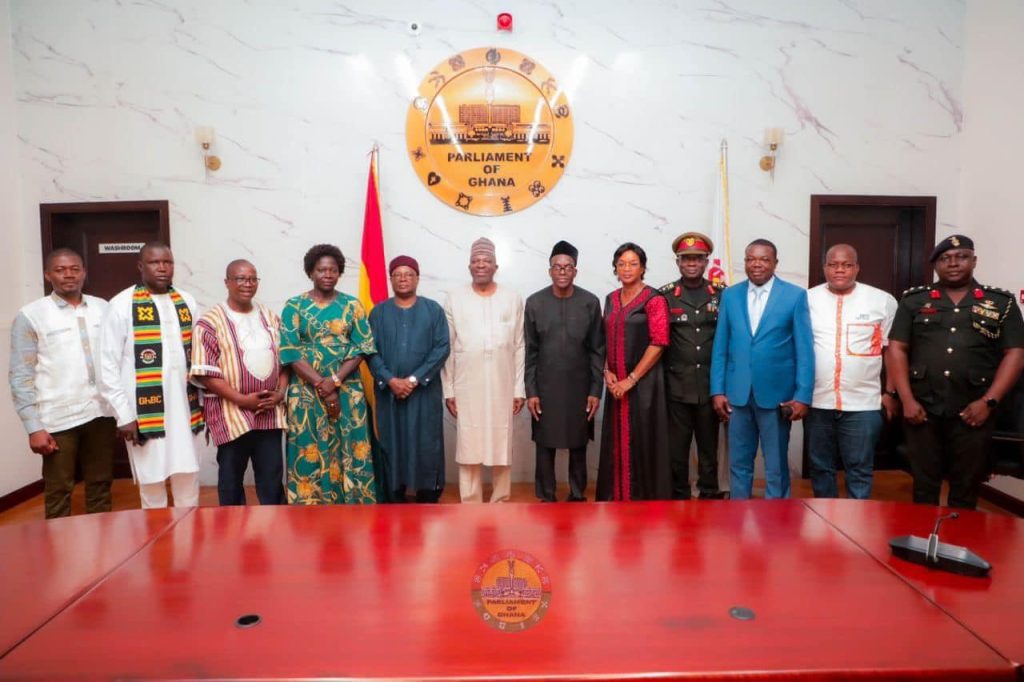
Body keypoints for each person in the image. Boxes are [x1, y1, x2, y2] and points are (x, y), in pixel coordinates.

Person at [887, 235, 1024, 509]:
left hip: (974, 409)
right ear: (936, 265)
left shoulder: (1001, 302)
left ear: (974, 260)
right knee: (924, 487)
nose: (953, 263)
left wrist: (989, 402)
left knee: (966, 487)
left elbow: (1016, 354)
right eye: (944, 259)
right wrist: (906, 399)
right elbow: (897, 349)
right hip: (922, 408)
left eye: (961, 256)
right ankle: (922, 545)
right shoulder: (915, 300)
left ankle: (959, 548)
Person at [8, 248, 116, 518]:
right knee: (59, 490)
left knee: (101, 485)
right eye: (60, 269)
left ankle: (104, 551)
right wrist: (33, 427)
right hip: (57, 419)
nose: (68, 274)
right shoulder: (31, 315)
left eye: (74, 268)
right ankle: (56, 553)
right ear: (48, 274)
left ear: (84, 272)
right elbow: (21, 375)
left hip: (101, 413)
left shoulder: (103, 308)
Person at [98, 242, 203, 508]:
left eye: (167, 262)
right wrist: (124, 415)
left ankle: (188, 540)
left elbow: (199, 357)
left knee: (187, 477)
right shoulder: (121, 305)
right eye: (155, 263)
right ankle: (155, 544)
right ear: (140, 266)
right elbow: (107, 365)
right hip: (143, 413)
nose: (162, 268)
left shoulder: (187, 301)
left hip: (184, 409)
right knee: (151, 483)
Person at [710, 238, 814, 500]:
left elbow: (804, 350)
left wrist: (803, 395)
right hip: (737, 394)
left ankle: (776, 523)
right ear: (745, 262)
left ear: (775, 263)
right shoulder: (730, 295)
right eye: (751, 259)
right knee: (739, 464)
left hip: (777, 396)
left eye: (764, 259)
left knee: (776, 466)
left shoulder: (794, 295)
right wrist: (717, 390)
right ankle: (738, 517)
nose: (757, 264)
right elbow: (721, 347)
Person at [279, 244, 377, 504]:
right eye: (321, 270)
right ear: (310, 272)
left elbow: (363, 347)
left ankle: (354, 505)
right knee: (309, 446)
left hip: (348, 389)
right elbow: (290, 351)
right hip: (306, 392)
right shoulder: (294, 306)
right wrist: (321, 384)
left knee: (350, 446)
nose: (327, 274)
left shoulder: (352, 305)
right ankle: (310, 508)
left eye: (333, 270)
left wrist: (334, 382)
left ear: (340, 273)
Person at [190, 259, 287, 506]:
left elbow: (287, 361)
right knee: (231, 481)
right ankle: (232, 537)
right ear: (227, 282)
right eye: (241, 278)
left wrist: (280, 393)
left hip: (268, 412)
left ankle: (278, 534)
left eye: (253, 279)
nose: (247, 284)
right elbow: (205, 373)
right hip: (230, 413)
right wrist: (242, 400)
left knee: (272, 479)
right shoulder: (210, 322)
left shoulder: (270, 317)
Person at [806, 244, 898, 499]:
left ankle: (856, 525)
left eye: (847, 264)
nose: (839, 270)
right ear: (824, 267)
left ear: (857, 267)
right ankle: (824, 522)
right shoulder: (807, 299)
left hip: (863, 403)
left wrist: (890, 392)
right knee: (820, 467)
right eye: (833, 264)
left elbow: (891, 351)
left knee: (859, 468)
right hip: (817, 400)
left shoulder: (883, 301)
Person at [442, 237, 525, 503]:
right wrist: (449, 389)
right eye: (476, 261)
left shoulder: (512, 298)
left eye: (486, 261)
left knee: (502, 438)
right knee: (469, 440)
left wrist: (519, 388)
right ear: (469, 267)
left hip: (503, 380)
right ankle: (471, 499)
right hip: (467, 382)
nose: (481, 266)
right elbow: (449, 347)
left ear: (495, 266)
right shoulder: (454, 298)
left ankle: (501, 498)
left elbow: (520, 345)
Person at [524, 241, 604, 502]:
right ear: (549, 271)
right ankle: (546, 496)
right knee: (544, 444)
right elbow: (530, 351)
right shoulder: (535, 302)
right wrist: (531, 391)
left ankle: (578, 495)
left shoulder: (590, 302)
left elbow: (597, 350)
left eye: (567, 267)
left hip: (580, 387)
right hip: (545, 387)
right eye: (557, 267)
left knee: (578, 443)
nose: (562, 271)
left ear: (575, 272)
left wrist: (595, 391)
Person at [367, 255, 450, 503]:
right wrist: (390, 380)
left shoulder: (433, 310)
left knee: (426, 442)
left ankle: (428, 493)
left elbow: (441, 348)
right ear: (390, 279)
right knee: (392, 442)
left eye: (408, 274)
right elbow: (369, 351)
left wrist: (413, 379)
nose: (403, 279)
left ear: (417, 278)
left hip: (424, 392)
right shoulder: (378, 312)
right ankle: (395, 493)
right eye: (397, 275)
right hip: (388, 392)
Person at [597, 242, 672, 501]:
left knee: (643, 440)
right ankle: (616, 497)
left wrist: (631, 379)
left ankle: (643, 502)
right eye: (621, 264)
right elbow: (604, 337)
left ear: (643, 267)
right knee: (616, 443)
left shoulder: (654, 299)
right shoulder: (610, 298)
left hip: (645, 385)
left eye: (633, 263)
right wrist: (607, 370)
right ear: (615, 268)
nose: (627, 268)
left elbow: (659, 341)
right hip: (615, 385)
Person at [658, 232, 726, 500]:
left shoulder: (721, 295)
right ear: (678, 262)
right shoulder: (665, 296)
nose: (692, 264)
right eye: (686, 259)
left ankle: (709, 492)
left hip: (710, 386)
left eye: (697, 259)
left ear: (706, 262)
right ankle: (678, 494)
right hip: (677, 387)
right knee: (677, 448)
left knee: (709, 447)